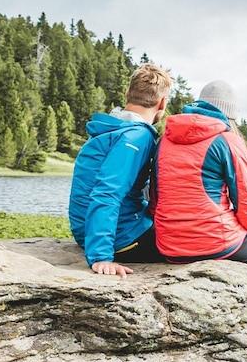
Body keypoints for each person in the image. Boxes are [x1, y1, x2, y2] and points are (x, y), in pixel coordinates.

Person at [153, 79, 247, 288]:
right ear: (230, 114)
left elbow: (155, 198)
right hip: (215, 242)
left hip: (168, 246)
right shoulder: (228, 140)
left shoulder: (164, 139)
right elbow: (246, 199)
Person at [70, 62, 174, 276]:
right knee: (201, 241)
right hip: (123, 238)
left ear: (127, 94)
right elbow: (107, 192)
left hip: (85, 230)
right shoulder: (136, 136)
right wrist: (101, 256)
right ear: (162, 102)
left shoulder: (111, 129)